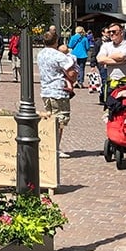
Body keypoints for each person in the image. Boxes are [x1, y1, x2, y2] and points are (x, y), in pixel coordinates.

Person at [37, 29, 78, 157]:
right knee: (60, 120)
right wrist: (74, 77)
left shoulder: (40, 54)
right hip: (58, 90)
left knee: (49, 118)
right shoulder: (58, 55)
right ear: (56, 41)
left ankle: (48, 145)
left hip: (45, 90)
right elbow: (71, 73)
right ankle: (55, 148)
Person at [96, 22, 126, 103]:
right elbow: (100, 59)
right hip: (111, 83)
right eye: (109, 32)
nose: (111, 34)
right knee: (111, 109)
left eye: (114, 31)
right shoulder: (106, 45)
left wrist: (107, 58)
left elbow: (121, 56)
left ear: (121, 32)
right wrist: (118, 63)